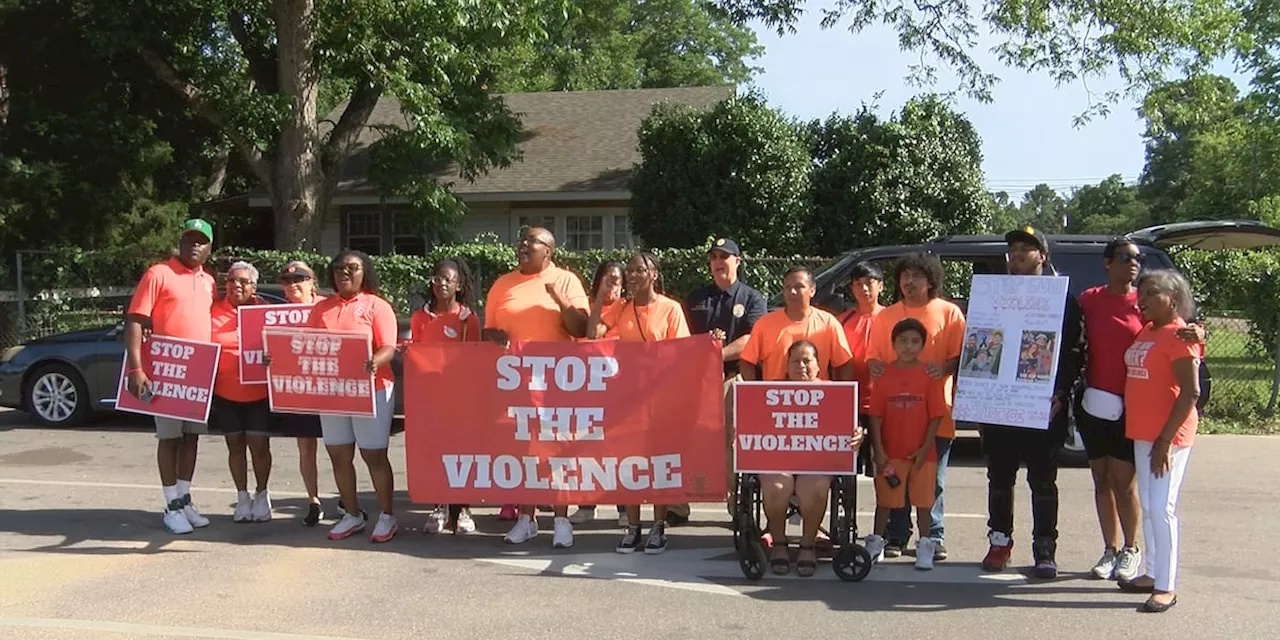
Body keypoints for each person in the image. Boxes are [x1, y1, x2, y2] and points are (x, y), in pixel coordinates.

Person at [1077, 239, 1205, 581]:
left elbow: (1185, 341)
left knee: (1141, 495)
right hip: (1109, 410)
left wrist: (1197, 332)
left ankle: (1146, 564)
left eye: (1138, 258)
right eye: (1124, 257)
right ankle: (1121, 556)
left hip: (1152, 422)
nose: (1133, 263)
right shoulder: (1093, 300)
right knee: (1112, 485)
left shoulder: (1158, 312)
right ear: (1107, 263)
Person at [981, 227, 1085, 578]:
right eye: (1013, 249)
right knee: (999, 476)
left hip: (1043, 404)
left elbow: (1074, 352)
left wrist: (1060, 393)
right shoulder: (993, 294)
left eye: (1027, 249)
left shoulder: (1063, 298)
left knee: (1042, 480)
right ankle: (999, 541)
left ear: (1043, 255)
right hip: (999, 404)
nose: (1018, 255)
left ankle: (1045, 549)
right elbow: (980, 345)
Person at [483, 226, 590, 548]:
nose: (523, 245)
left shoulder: (566, 280)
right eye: (521, 241)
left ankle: (560, 519)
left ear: (548, 251)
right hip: (516, 382)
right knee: (523, 451)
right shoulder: (503, 284)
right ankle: (526, 518)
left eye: (531, 241)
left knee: (558, 451)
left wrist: (559, 299)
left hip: (557, 382)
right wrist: (495, 338)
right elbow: (488, 328)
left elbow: (581, 328)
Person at [585, 252, 690, 554]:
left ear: (653, 274)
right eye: (629, 270)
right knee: (628, 462)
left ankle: (658, 526)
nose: (631, 275)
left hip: (660, 399)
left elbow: (680, 352)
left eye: (638, 270)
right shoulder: (620, 308)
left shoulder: (671, 309)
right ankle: (633, 526)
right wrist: (601, 297)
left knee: (657, 463)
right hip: (627, 399)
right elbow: (594, 335)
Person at [865, 253, 965, 560]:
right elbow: (874, 357)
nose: (909, 282)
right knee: (895, 475)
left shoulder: (949, 313)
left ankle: (933, 537)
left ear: (931, 280)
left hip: (935, 412)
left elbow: (963, 356)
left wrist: (945, 368)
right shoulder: (885, 316)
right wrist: (875, 368)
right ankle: (896, 536)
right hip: (895, 415)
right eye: (904, 276)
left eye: (917, 276)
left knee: (931, 479)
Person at [123, 219, 217, 535]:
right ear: (180, 242)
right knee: (169, 438)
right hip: (166, 371)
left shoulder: (209, 281)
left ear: (209, 248)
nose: (194, 245)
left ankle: (184, 498)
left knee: (191, 438)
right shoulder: (158, 273)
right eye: (189, 239)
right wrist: (137, 369)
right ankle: (170, 505)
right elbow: (136, 320)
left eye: (201, 241)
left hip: (197, 375)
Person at [1118, 269, 1203, 613]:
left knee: (1161, 509)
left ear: (1174, 298)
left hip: (1168, 436)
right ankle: (1151, 573)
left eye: (1152, 293)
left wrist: (1165, 440)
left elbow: (1191, 392)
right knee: (1150, 508)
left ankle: (1166, 586)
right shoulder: (1149, 330)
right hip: (1143, 431)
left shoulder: (1180, 335)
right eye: (1142, 293)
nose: (1143, 299)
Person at [301, 250, 399, 542]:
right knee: (338, 454)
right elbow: (307, 346)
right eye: (338, 267)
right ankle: (353, 514)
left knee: (373, 454)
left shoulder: (376, 306)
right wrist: (278, 358)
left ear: (364, 271)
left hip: (373, 390)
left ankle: (386, 516)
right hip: (333, 392)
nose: (344, 272)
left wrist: (374, 361)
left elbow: (389, 348)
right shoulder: (321, 309)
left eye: (352, 268)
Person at [684, 238, 768, 516]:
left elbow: (752, 339)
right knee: (684, 438)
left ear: (738, 261)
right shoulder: (696, 298)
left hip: (732, 378)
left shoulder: (752, 298)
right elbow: (682, 337)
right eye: (714, 257)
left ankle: (737, 504)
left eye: (725, 256)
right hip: (694, 381)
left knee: (731, 442)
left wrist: (714, 355)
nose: (718, 262)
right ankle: (676, 505)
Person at [759, 340, 853, 577]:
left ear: (818, 365)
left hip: (817, 461)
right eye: (795, 361)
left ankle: (807, 545)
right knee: (776, 486)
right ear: (786, 366)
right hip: (778, 460)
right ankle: (779, 542)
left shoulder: (833, 392)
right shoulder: (770, 391)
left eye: (807, 360)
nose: (801, 366)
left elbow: (849, 426)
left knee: (815, 488)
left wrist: (857, 433)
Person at [864, 318, 947, 570]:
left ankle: (924, 546)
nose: (908, 347)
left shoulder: (929, 376)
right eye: (903, 341)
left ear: (922, 345)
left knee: (923, 502)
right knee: (886, 501)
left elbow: (936, 416)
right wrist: (879, 450)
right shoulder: (883, 375)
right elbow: (875, 416)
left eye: (914, 341)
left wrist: (924, 448)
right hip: (891, 453)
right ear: (893, 343)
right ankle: (876, 543)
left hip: (923, 453)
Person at [411, 257, 482, 535]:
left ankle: (462, 507)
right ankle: (440, 504)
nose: (441, 284)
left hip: (459, 399)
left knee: (460, 452)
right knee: (434, 451)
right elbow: (415, 353)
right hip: (429, 398)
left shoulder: (468, 319)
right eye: (437, 278)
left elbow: (475, 359)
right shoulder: (420, 317)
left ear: (459, 285)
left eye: (448, 280)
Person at [208, 261, 277, 522]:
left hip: (258, 393)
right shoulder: (212, 311)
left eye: (244, 281)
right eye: (232, 280)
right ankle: (242, 497)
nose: (237, 285)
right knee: (235, 446)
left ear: (254, 287)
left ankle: (262, 494)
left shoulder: (266, 312)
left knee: (259, 447)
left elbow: (284, 343)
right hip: (225, 393)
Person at [272, 261, 335, 526]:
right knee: (306, 447)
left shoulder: (329, 307)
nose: (292, 285)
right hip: (298, 390)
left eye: (299, 279)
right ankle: (313, 501)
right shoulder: (275, 314)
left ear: (312, 282)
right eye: (287, 281)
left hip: (330, 388)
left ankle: (345, 497)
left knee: (339, 447)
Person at [568, 260, 629, 527]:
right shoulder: (590, 307)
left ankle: (624, 508)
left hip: (620, 385)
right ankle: (586, 504)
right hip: (591, 386)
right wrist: (598, 301)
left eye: (616, 279)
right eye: (606, 279)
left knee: (619, 447)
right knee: (588, 444)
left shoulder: (626, 307)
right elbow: (592, 334)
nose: (612, 284)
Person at [740, 266, 854, 383]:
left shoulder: (828, 323)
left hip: (818, 397)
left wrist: (841, 395)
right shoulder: (764, 324)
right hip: (774, 397)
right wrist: (754, 392)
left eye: (799, 287)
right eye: (787, 287)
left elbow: (844, 363)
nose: (792, 292)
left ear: (812, 290)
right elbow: (747, 361)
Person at [837, 262, 885, 419]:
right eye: (858, 284)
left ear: (880, 286)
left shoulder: (894, 318)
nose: (864, 289)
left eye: (869, 283)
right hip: (851, 401)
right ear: (852, 289)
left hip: (886, 401)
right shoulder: (841, 321)